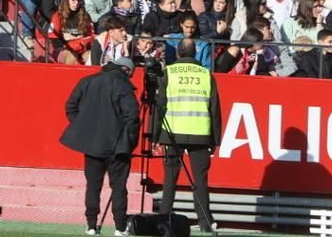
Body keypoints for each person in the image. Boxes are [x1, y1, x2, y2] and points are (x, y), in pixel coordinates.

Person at [60, 55, 140, 237]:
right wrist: (129, 142)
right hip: (118, 146)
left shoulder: (88, 81)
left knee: (93, 186)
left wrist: (83, 128)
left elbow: (71, 106)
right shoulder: (124, 85)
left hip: (93, 144)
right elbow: (132, 117)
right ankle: (120, 228)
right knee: (119, 187)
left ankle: (91, 226)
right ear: (126, 70)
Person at [153, 40, 221, 235]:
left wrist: (155, 135)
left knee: (170, 179)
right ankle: (205, 222)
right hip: (200, 133)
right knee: (200, 180)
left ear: (179, 53)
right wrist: (215, 139)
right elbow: (214, 109)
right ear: (195, 53)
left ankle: (163, 219)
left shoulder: (169, 72)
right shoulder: (206, 74)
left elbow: (160, 104)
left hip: (172, 132)